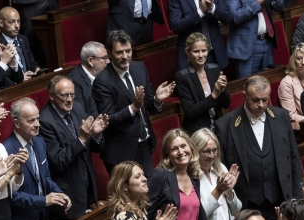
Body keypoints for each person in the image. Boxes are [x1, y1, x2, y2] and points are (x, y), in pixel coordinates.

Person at [215, 75, 302, 220]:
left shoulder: (281, 117)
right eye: (255, 100)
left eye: (265, 99)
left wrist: (296, 198)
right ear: (244, 96)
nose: (261, 105)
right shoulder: (225, 125)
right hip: (246, 204)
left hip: (279, 201)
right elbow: (220, 167)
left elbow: (294, 159)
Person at [93, 30, 176, 175]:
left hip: (145, 145)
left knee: (147, 193)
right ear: (109, 53)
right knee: (127, 197)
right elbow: (108, 119)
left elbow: (151, 106)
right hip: (121, 153)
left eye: (128, 51)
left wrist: (157, 100)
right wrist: (133, 107)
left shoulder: (139, 69)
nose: (125, 57)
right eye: (119, 52)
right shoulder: (102, 82)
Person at [39, 75, 108, 220]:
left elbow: (94, 148)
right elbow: (57, 161)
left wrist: (96, 134)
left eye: (72, 94)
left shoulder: (76, 108)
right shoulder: (44, 121)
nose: (69, 100)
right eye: (64, 95)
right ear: (51, 96)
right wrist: (82, 139)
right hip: (67, 194)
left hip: (88, 186)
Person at [3, 98, 71, 220]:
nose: (37, 125)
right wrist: (43, 200)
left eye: (38, 119)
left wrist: (59, 193)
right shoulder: (6, 150)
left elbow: (45, 178)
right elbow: (12, 195)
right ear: (16, 123)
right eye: (31, 121)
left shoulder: (39, 142)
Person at [175, 33, 230, 133]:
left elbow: (226, 104)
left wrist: (223, 89)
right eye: (196, 51)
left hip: (217, 126)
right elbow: (191, 111)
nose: (201, 55)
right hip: (197, 131)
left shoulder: (215, 69)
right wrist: (214, 95)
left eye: (204, 51)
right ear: (187, 52)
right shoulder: (182, 77)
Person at [227, 0, 284, 78]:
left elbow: (280, 7)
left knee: (269, 80)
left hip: (267, 41)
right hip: (246, 45)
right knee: (247, 83)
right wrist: (258, 2)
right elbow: (235, 16)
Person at [169, 0, 229, 70]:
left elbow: (227, 18)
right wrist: (199, 13)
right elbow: (176, 26)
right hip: (190, 56)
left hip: (214, 53)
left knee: (219, 81)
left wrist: (212, 8)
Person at [278, 43, 304, 130]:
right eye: (299, 58)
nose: (303, 63)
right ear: (293, 61)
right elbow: (291, 116)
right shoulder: (286, 83)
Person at [68, 42, 110, 118]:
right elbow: (80, 114)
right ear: (90, 61)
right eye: (104, 58)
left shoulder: (104, 74)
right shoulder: (74, 82)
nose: (108, 61)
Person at [0, 7, 41, 80]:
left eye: (18, 21)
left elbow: (31, 62)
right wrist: (21, 78)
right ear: (1, 23)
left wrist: (36, 69)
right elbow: (2, 73)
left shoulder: (23, 39)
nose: (17, 26)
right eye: (12, 22)